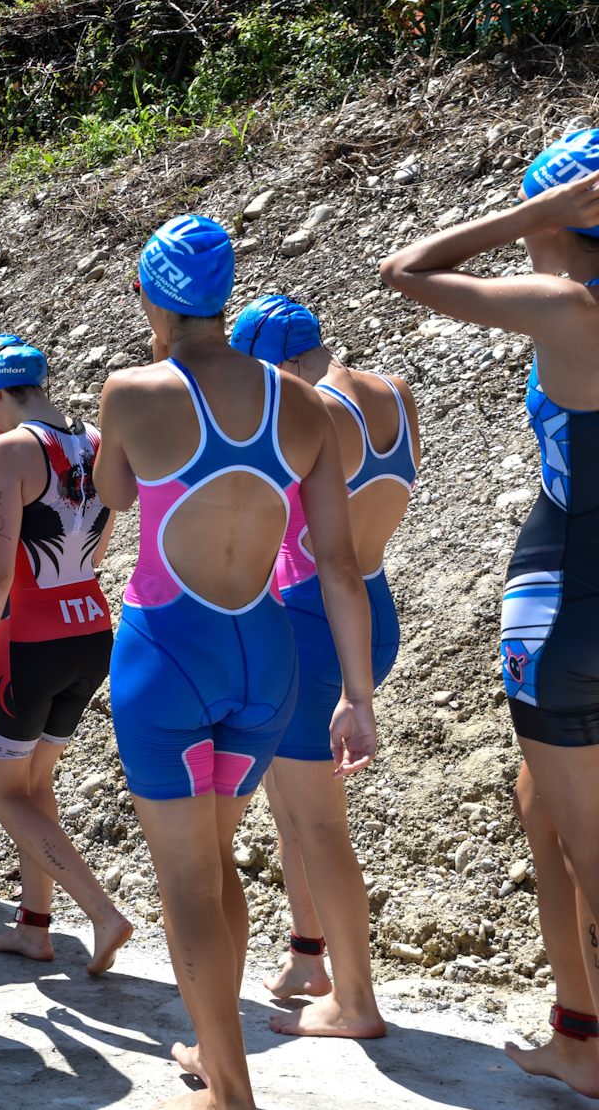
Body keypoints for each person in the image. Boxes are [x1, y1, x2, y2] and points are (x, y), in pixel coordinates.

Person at [95, 215, 374, 1110]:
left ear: (151, 298)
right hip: (268, 654)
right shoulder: (308, 404)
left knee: (187, 880)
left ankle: (232, 1093)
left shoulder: (132, 392)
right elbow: (337, 563)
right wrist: (358, 696)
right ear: (225, 295)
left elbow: (112, 494)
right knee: (219, 863)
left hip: (169, 649)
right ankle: (217, 1055)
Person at [379, 168, 599, 1098]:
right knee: (538, 808)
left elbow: (408, 268)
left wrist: (530, 213)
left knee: (586, 842)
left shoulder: (564, 303)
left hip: (568, 605)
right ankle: (580, 1037)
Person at [228, 294, 415, 1043]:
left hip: (314, 621)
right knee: (289, 797)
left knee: (317, 819)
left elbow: (292, 535)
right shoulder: (392, 394)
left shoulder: (309, 414)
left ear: (274, 361)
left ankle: (357, 999)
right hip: (372, 602)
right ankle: (310, 955)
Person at [0, 335, 133, 974]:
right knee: (35, 784)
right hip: (89, 626)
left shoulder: (10, 450)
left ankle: (103, 914)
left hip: (27, 636)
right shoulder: (96, 441)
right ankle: (35, 927)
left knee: (3, 794)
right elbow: (103, 541)